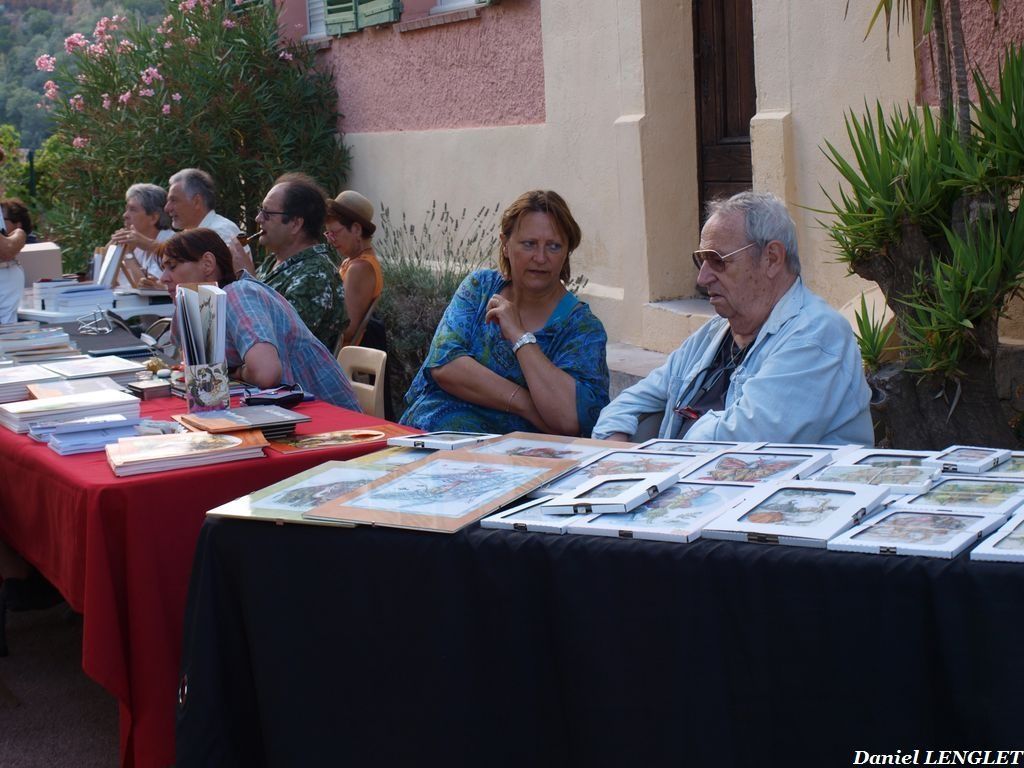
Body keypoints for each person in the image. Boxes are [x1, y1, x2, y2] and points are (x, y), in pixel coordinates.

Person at [592, 191, 873, 445]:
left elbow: (742, 444)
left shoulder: (816, 335)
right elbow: (625, 405)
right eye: (700, 261)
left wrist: (659, 455)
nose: (702, 278)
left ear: (772, 258)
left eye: (717, 261)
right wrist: (621, 455)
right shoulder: (714, 334)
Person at [400, 190, 610, 436]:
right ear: (506, 245)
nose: (540, 257)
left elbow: (569, 418)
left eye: (554, 246)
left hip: (510, 454)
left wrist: (520, 337)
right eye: (529, 244)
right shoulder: (480, 289)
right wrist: (526, 405)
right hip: (425, 436)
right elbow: (445, 364)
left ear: (566, 253)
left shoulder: (582, 329)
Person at [157, 228, 360, 411]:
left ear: (208, 264)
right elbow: (189, 367)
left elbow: (266, 374)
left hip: (332, 419)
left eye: (172, 267)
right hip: (285, 413)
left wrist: (236, 372)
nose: (163, 278)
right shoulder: (202, 303)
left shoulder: (239, 293)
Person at [232, 173, 345, 351]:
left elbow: (279, 340)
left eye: (267, 213)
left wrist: (246, 280)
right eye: (260, 210)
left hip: (291, 369)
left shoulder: (315, 274)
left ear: (295, 224)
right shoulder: (274, 261)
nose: (258, 218)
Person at [325, 190, 384, 348]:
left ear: (356, 229)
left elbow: (348, 329)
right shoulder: (353, 262)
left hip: (339, 355)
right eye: (328, 233)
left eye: (334, 232)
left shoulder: (360, 268)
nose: (331, 240)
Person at [107, 183, 174, 286]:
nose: (125, 215)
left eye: (132, 210)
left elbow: (147, 289)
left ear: (153, 218)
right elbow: (111, 284)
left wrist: (128, 255)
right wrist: (111, 252)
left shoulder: (171, 243)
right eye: (126, 209)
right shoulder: (137, 246)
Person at [165, 168, 243, 246]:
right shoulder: (187, 236)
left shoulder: (221, 233)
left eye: (174, 200)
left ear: (196, 201)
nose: (167, 208)